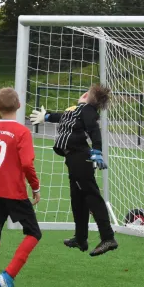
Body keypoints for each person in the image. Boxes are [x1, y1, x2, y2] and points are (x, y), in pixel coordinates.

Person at [30, 83, 118, 257]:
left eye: (86, 92)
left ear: (86, 97)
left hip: (80, 157)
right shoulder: (76, 110)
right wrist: (46, 116)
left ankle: (108, 237)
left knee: (92, 196)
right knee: (77, 199)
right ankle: (80, 238)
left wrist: (97, 151)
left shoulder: (87, 110)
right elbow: (62, 116)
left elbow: (94, 130)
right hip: (72, 159)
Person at [0, 87, 41, 287]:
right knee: (34, 233)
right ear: (19, 106)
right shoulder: (23, 132)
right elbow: (26, 163)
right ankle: (8, 275)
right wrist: (35, 186)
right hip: (14, 191)